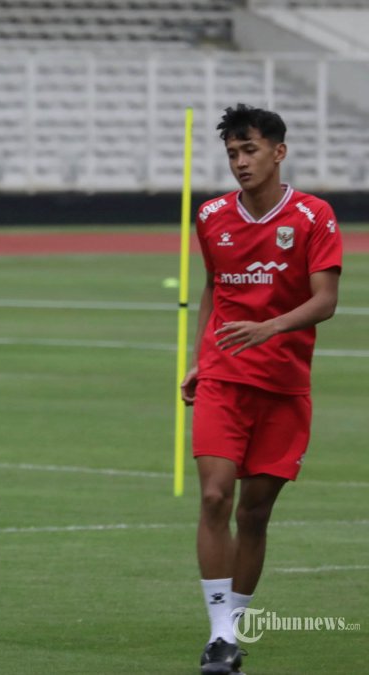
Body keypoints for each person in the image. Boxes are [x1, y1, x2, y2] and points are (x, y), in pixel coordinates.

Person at [181, 103, 342, 675]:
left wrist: (268, 328)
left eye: (249, 151)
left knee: (254, 513)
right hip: (224, 376)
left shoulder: (314, 216)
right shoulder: (212, 216)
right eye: (231, 154)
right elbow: (214, 288)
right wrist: (201, 357)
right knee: (213, 497)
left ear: (279, 152)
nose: (240, 163)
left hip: (283, 384)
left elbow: (325, 300)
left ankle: (234, 625)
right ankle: (221, 635)